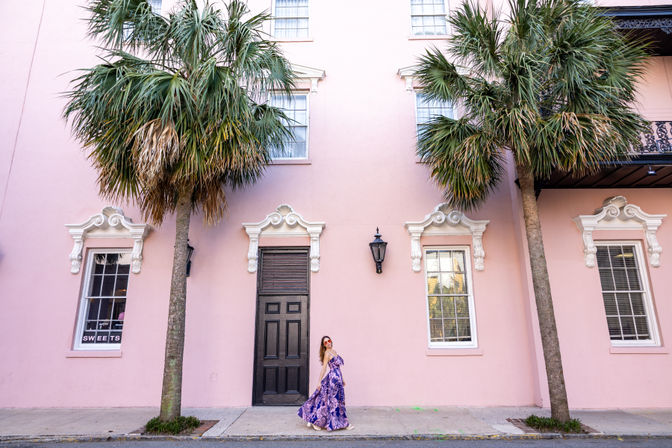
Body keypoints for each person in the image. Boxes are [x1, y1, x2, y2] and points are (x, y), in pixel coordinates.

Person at [297, 335, 353, 431]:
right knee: (332, 401)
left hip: (338, 379)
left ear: (331, 341)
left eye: (329, 341)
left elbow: (338, 368)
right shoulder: (327, 353)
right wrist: (319, 381)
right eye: (325, 342)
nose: (328, 343)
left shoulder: (334, 352)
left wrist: (342, 379)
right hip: (332, 380)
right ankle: (320, 421)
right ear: (324, 345)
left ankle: (318, 420)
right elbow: (324, 368)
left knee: (334, 401)